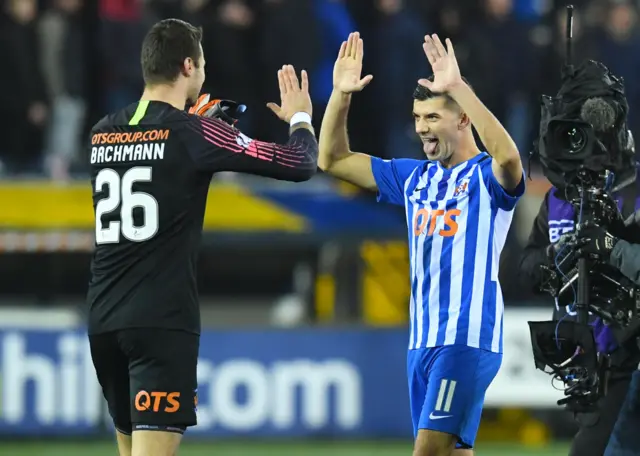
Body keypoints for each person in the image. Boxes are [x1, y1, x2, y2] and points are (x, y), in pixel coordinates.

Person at [86, 18, 317, 456]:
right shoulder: (194, 132)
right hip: (161, 319)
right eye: (204, 64)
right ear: (189, 65)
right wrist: (300, 118)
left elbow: (154, 151)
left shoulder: (102, 132)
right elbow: (299, 163)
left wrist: (196, 126)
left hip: (104, 318)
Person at [319, 31, 524, 456]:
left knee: (427, 452)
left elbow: (509, 159)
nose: (421, 130)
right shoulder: (414, 178)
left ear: (463, 119)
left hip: (465, 339)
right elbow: (332, 159)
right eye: (417, 118)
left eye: (432, 118)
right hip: (423, 341)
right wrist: (341, 95)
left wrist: (459, 89)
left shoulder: (486, 178)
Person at [519, 178, 640, 456]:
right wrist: (556, 253)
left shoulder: (633, 191)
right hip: (610, 358)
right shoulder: (557, 199)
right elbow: (526, 272)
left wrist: (612, 246)